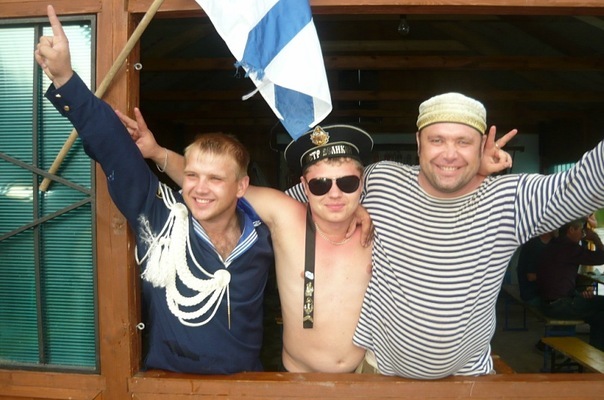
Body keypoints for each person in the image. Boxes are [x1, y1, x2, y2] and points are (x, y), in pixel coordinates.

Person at [287, 91, 604, 379]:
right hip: (380, 374)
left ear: (482, 144)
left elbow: (585, 184)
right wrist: (348, 206)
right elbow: (306, 194)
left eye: (463, 142)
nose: (449, 154)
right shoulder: (382, 181)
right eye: (437, 140)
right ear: (418, 142)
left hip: (466, 382)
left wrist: (476, 171)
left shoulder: (511, 199)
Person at [35, 5, 275, 374]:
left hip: (247, 387)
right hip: (169, 386)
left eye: (215, 179)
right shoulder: (159, 215)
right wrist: (66, 78)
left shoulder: (263, 233)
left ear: (241, 186)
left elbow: (317, 214)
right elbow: (114, 148)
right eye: (192, 174)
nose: (199, 189)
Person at [537, 217, 604, 351]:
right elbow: (601, 257)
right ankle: (597, 354)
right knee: (601, 310)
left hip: (547, 301)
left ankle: (595, 352)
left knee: (599, 313)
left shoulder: (554, 245)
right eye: (581, 230)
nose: (583, 234)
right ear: (571, 230)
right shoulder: (569, 248)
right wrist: (595, 238)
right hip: (559, 305)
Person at [517, 230, 558, 305]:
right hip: (532, 295)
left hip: (543, 293)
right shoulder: (533, 245)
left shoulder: (553, 243)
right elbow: (531, 277)